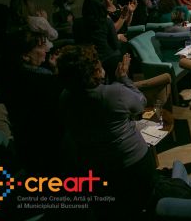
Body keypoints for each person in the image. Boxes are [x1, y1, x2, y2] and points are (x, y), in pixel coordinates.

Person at [57, 47, 154, 217]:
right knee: (142, 205)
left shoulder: (65, 97)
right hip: (132, 164)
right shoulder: (113, 93)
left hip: (94, 169)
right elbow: (140, 103)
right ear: (95, 71)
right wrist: (123, 78)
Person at [4, 28, 63, 173]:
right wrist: (56, 72)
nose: (46, 50)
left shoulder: (12, 76)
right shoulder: (43, 80)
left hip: (26, 145)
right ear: (25, 55)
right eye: (41, 47)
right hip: (48, 144)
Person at [73, 0, 123, 79]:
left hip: (88, 60)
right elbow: (116, 45)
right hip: (109, 59)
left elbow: (78, 44)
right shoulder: (107, 22)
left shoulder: (77, 23)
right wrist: (118, 37)